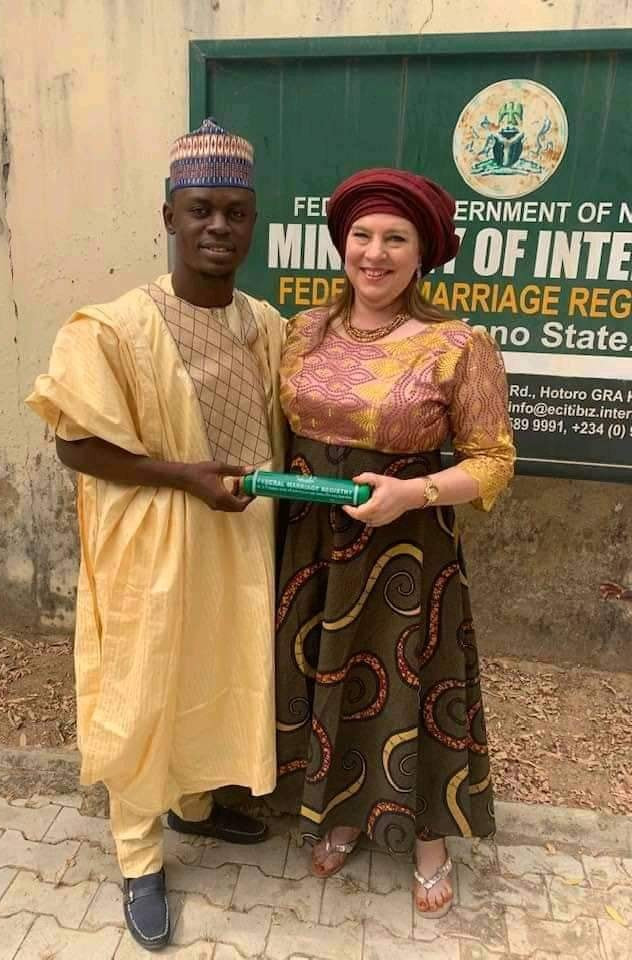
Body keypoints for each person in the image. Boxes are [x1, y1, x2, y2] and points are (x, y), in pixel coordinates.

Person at [26, 119, 286, 950]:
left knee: (218, 672)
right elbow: (74, 445)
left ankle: (196, 805)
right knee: (143, 689)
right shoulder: (110, 328)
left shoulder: (265, 324)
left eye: (235, 213)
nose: (218, 227)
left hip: (238, 542)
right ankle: (139, 855)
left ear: (254, 222)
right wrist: (184, 477)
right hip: (152, 544)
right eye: (200, 209)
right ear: (168, 216)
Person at [273, 168, 515, 918]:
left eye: (395, 239)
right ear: (342, 243)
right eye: (362, 236)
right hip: (311, 542)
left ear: (423, 254)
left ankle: (429, 841)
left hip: (406, 547)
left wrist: (412, 494)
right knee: (329, 674)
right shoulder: (303, 331)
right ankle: (343, 810)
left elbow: (493, 461)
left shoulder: (457, 346)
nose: (374, 254)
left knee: (411, 682)